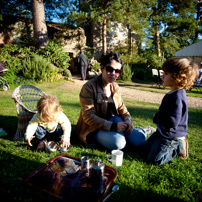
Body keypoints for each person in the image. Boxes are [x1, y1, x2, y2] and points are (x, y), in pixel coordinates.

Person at [77, 51, 155, 150]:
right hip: (94, 128)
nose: (113, 74)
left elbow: (121, 107)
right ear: (102, 68)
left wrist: (127, 120)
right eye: (110, 69)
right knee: (119, 143)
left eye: (117, 71)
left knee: (139, 140)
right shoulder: (89, 87)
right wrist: (113, 127)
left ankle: (140, 130)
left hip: (114, 121)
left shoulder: (115, 86)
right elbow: (88, 116)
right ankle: (120, 134)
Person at [144, 58, 198, 166]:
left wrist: (156, 117)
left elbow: (172, 122)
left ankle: (179, 147)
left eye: (166, 73)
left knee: (154, 160)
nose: (162, 76)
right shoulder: (173, 93)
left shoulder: (177, 97)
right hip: (162, 132)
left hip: (171, 136)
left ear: (179, 77)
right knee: (144, 149)